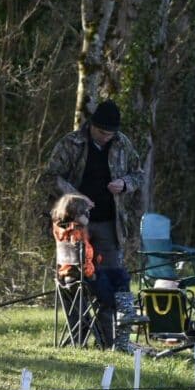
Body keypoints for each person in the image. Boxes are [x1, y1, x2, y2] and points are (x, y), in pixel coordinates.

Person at [45, 99, 144, 345]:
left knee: (110, 281)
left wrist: (124, 185)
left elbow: (138, 174)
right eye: (101, 132)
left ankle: (108, 340)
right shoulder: (70, 143)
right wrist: (75, 197)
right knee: (71, 281)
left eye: (111, 133)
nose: (106, 137)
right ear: (91, 126)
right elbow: (49, 177)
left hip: (110, 225)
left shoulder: (123, 144)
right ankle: (78, 335)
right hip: (73, 227)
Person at [51, 193, 143, 352]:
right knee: (115, 288)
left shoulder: (59, 228)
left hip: (66, 277)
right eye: (85, 212)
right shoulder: (76, 233)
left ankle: (124, 313)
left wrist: (97, 260)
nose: (89, 215)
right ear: (75, 213)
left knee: (118, 274)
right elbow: (83, 262)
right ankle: (124, 317)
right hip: (83, 278)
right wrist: (92, 274)